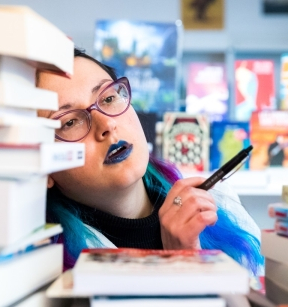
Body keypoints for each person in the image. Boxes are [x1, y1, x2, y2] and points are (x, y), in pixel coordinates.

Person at [37, 49, 263, 276]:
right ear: (41, 164)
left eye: (108, 98)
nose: (106, 124)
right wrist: (183, 267)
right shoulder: (44, 265)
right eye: (69, 122)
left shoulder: (218, 202)